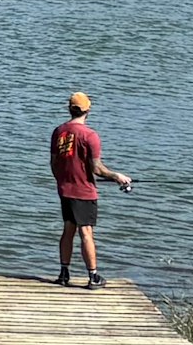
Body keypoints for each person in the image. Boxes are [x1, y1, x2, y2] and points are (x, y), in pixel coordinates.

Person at [51, 92, 132, 286]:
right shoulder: (89, 135)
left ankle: (64, 273)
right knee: (86, 232)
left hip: (65, 189)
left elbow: (54, 163)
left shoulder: (58, 131)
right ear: (88, 110)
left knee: (68, 230)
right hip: (84, 192)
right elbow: (97, 168)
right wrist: (117, 176)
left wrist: (63, 180)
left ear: (70, 109)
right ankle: (93, 276)